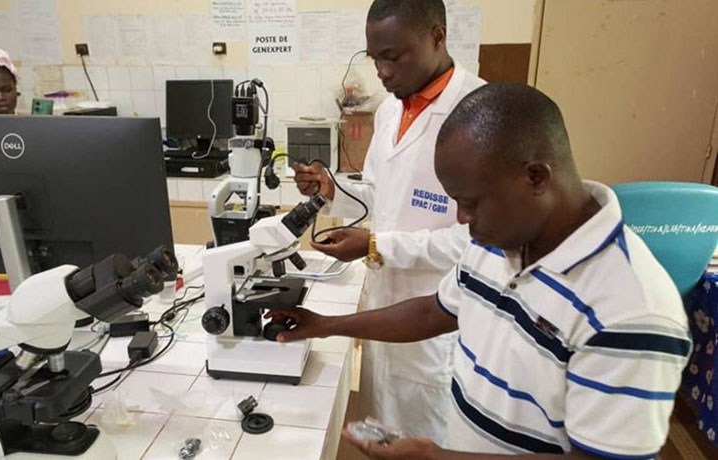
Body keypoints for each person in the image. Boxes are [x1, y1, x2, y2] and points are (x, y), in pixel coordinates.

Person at [272, 82, 691, 459]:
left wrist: (436, 458)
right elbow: (431, 312)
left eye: (471, 203)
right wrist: (324, 325)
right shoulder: (497, 242)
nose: (461, 218)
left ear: (536, 177)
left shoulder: (633, 310)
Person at [292, 0, 485, 446]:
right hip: (386, 308)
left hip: (440, 315)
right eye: (373, 57)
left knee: (431, 440)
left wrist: (376, 244)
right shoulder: (390, 111)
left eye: (393, 56)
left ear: (437, 37)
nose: (380, 71)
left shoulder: (477, 112)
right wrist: (331, 187)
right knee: (382, 435)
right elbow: (381, 195)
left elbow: (476, 240)